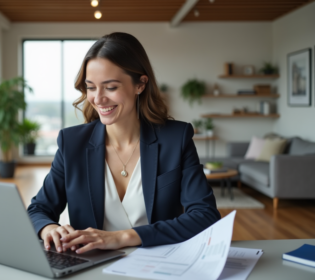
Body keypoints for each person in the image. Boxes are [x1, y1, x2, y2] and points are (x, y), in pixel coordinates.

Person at [27, 32, 220, 255]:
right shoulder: (72, 143)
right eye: (91, 87)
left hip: (159, 264)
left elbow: (205, 216)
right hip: (89, 268)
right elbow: (39, 209)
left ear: (140, 84)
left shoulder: (176, 138)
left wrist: (124, 237)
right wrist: (48, 227)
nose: (98, 99)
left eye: (110, 87)